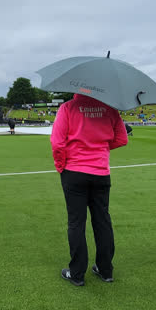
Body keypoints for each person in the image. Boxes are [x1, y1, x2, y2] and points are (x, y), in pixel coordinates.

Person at [52, 93, 128, 286]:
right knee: (102, 220)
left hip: (74, 171)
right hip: (101, 172)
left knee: (76, 222)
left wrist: (61, 166)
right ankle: (105, 270)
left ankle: (77, 273)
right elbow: (121, 139)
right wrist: (99, 148)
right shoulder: (110, 108)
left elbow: (57, 142)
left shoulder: (68, 108)